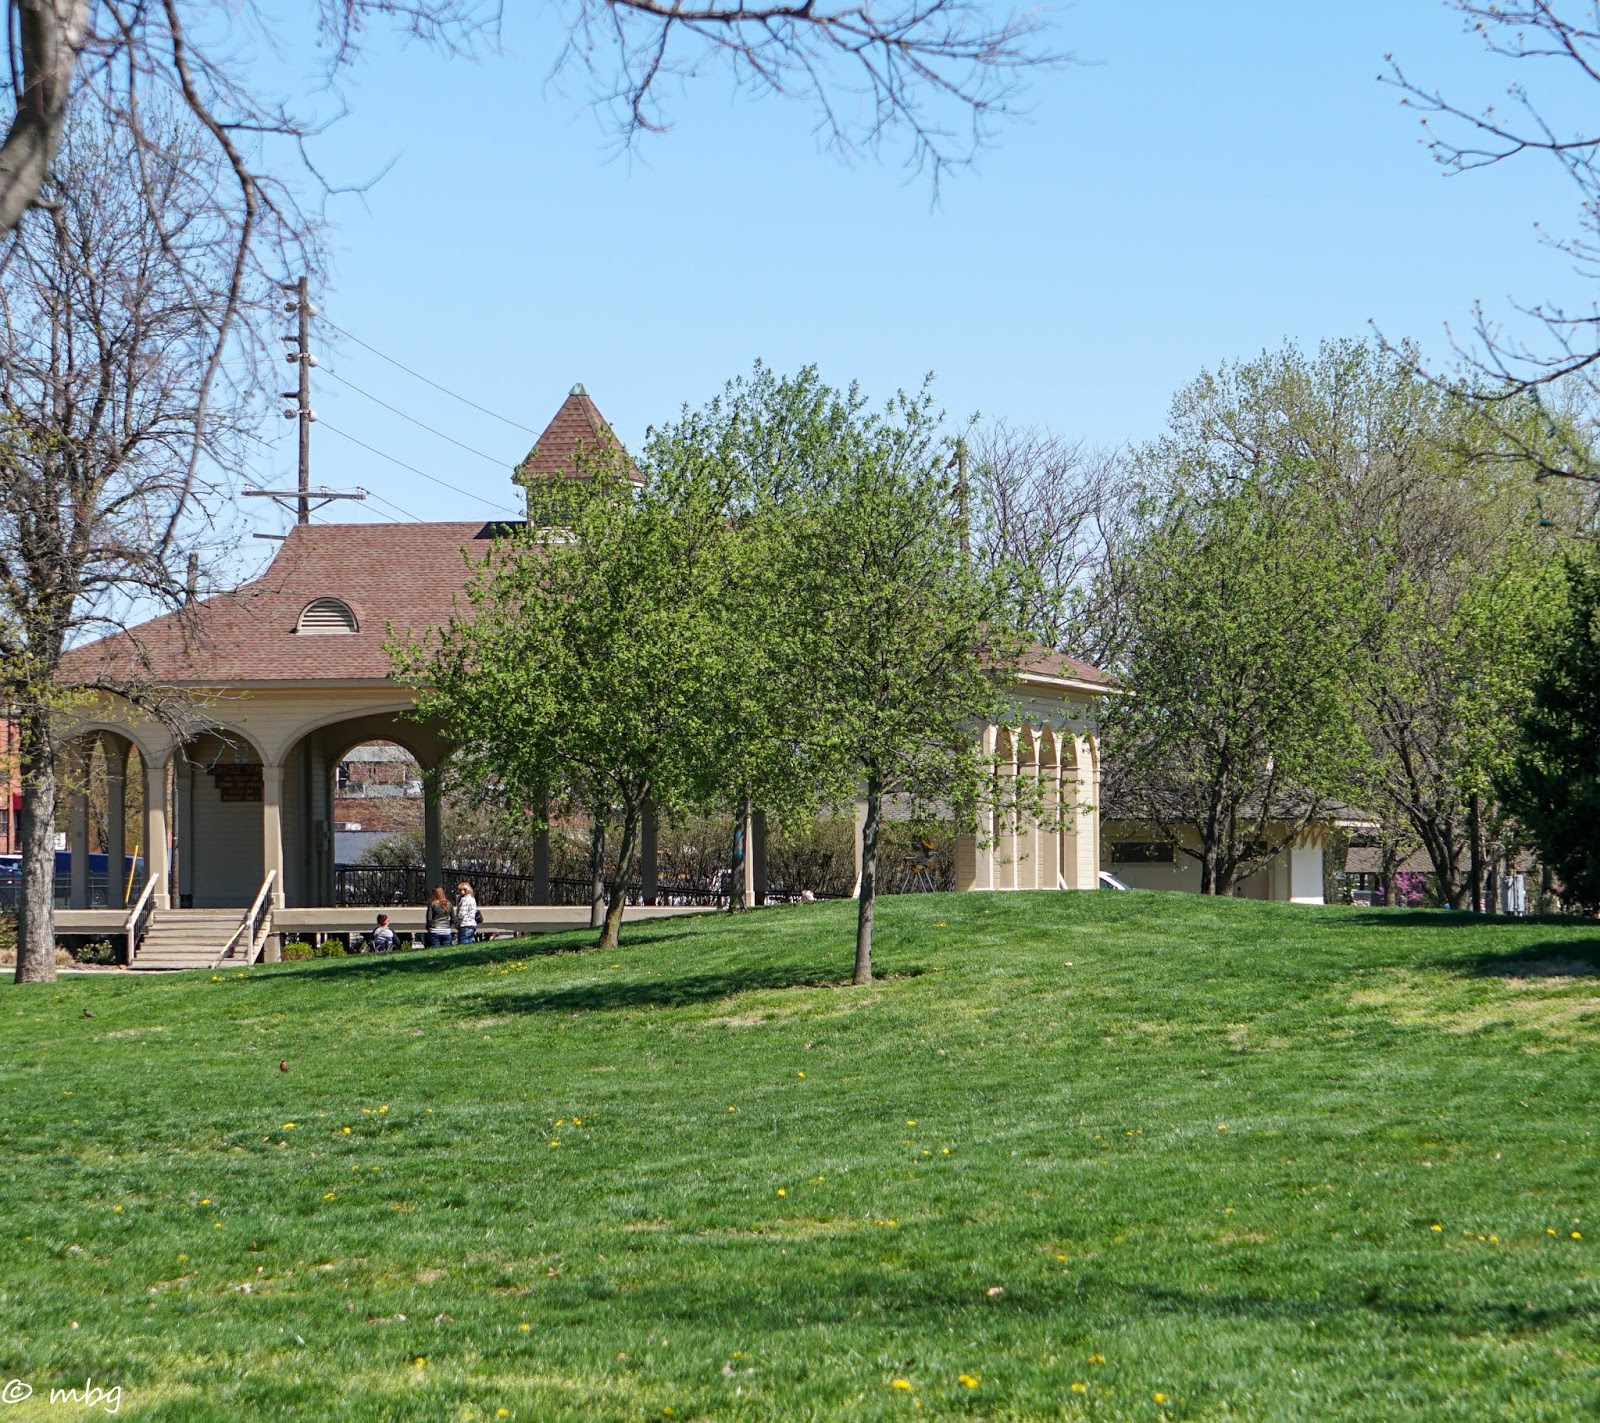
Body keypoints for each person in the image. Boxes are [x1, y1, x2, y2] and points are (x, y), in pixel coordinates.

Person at [454, 880, 480, 944]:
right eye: (460, 890)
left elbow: (462, 914)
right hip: (472, 924)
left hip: (465, 924)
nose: (461, 891)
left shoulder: (464, 899)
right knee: (469, 944)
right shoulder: (472, 898)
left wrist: (456, 922)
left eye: (463, 889)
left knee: (463, 945)